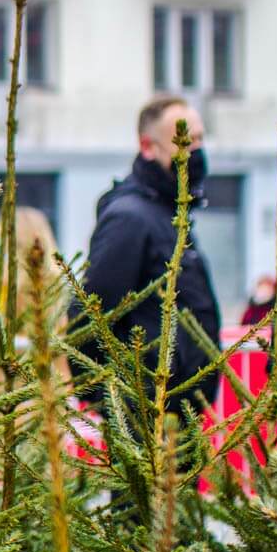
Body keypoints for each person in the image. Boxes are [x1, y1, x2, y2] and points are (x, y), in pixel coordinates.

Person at [77, 96, 223, 416]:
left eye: (199, 139)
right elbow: (92, 311)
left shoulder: (168, 212)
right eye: (183, 140)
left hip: (179, 406)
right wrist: (112, 396)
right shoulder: (131, 218)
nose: (195, 150)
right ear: (148, 146)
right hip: (147, 409)